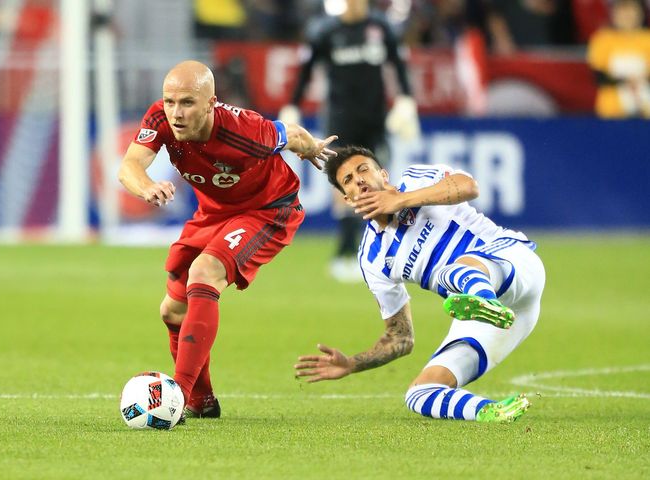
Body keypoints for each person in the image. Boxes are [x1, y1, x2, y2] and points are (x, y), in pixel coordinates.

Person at [118, 60, 337, 420]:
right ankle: (202, 400)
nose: (176, 113)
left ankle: (177, 396)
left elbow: (293, 134)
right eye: (170, 101)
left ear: (211, 104)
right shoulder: (160, 119)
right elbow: (129, 166)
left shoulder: (246, 131)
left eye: (187, 103)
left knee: (205, 271)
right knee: (171, 310)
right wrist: (147, 187)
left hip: (269, 210)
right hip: (215, 213)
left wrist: (312, 149)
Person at [294, 146, 545, 422]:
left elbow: (469, 186)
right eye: (349, 180)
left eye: (363, 169)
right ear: (347, 199)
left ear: (383, 173)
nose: (359, 180)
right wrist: (353, 363)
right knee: (419, 394)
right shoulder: (372, 259)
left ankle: (484, 299)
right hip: (504, 316)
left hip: (513, 264)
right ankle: (489, 411)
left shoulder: (416, 180)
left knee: (449, 274)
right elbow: (401, 338)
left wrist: (401, 200)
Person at [278, 0, 419, 283]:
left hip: (374, 117)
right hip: (340, 118)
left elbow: (398, 65)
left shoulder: (381, 27)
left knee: (375, 181)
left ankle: (381, 250)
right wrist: (293, 106)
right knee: (344, 181)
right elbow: (305, 72)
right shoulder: (325, 31)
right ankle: (345, 250)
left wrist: (406, 99)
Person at [587, 0, 650, 118]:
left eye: (631, 10)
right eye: (622, 11)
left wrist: (642, 80)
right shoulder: (602, 39)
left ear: (641, 13)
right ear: (614, 13)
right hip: (613, 110)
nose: (627, 16)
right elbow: (598, 76)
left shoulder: (648, 38)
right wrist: (625, 81)